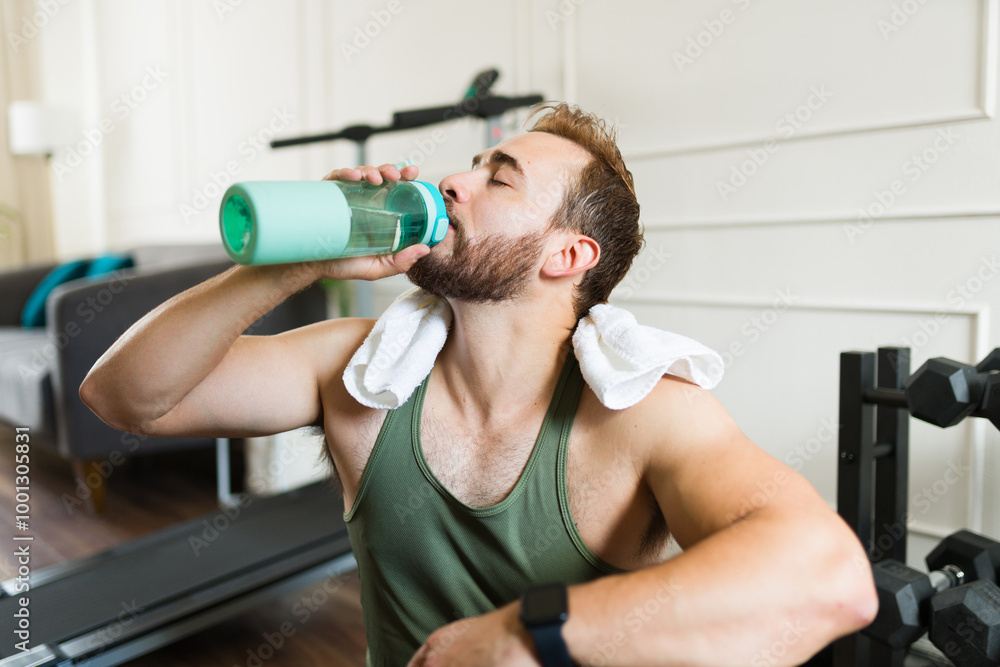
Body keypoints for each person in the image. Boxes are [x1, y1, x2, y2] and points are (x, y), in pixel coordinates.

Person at [80, 103, 877, 667]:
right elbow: (122, 396)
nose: (454, 183)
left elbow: (831, 579)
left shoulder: (645, 414)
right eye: (472, 166)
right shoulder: (359, 371)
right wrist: (297, 263)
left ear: (567, 256)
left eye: (501, 180)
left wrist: (524, 634)